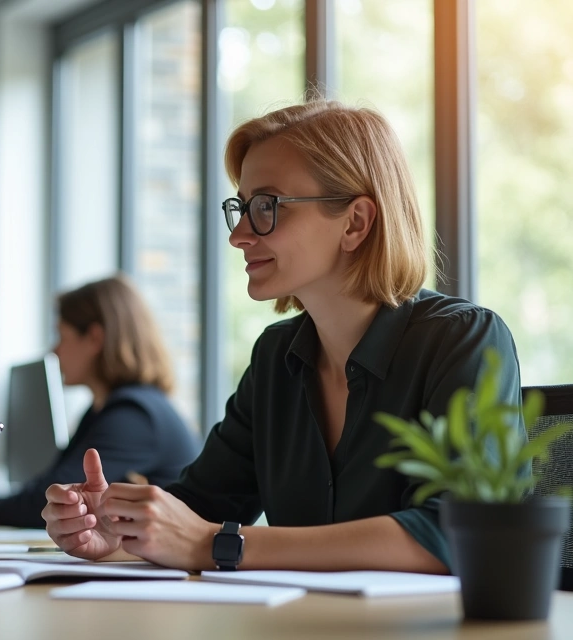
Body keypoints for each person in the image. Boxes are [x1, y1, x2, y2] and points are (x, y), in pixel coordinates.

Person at [42, 100, 521, 573]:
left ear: (355, 222)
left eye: (267, 207)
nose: (239, 235)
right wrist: (114, 533)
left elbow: (460, 532)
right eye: (243, 208)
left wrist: (217, 544)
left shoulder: (462, 340)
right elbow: (197, 512)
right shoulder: (276, 357)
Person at [0, 276, 201, 528]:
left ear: (95, 338)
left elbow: (51, 501)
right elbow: (51, 487)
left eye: (62, 336)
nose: (55, 351)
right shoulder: (107, 409)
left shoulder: (133, 416)